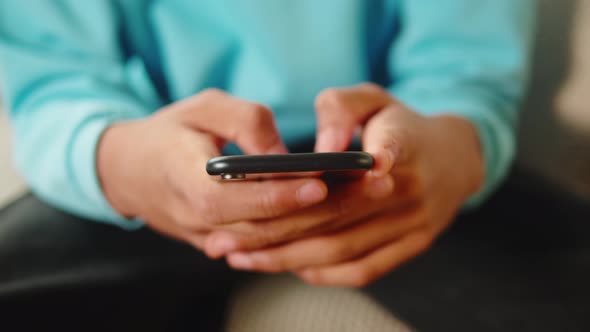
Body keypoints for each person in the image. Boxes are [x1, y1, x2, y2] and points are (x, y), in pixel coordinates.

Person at [0, 0, 536, 328]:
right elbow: (56, 84)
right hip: (148, 172)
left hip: (395, 170)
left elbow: (467, 74)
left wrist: (456, 155)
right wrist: (120, 162)